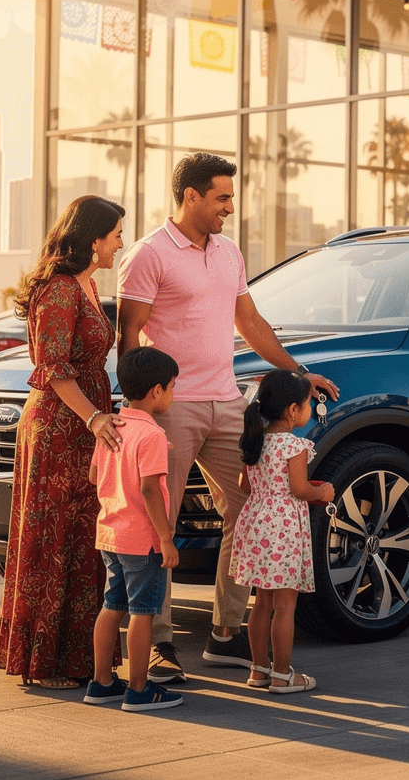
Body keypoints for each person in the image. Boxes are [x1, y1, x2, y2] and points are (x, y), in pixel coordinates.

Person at [117, 152, 339, 683]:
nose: (229, 208)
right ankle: (158, 641)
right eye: (221, 197)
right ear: (190, 196)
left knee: (252, 510)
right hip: (172, 406)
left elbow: (250, 320)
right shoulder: (149, 254)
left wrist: (297, 372)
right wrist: (131, 407)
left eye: (230, 197)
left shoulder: (228, 252)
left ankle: (226, 633)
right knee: (158, 522)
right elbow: (128, 335)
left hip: (228, 401)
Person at [0, 195, 126, 689]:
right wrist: (95, 418)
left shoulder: (87, 285)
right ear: (93, 239)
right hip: (58, 430)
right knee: (55, 543)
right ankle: (47, 663)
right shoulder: (59, 290)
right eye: (115, 235)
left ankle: (80, 658)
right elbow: (51, 368)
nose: (119, 245)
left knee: (83, 540)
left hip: (85, 428)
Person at [85, 347, 184, 712]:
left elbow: (94, 475)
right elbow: (148, 489)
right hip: (143, 541)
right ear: (157, 391)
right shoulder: (151, 435)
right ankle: (140, 690)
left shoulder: (112, 426)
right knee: (143, 612)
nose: (173, 394)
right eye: (172, 387)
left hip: (110, 533)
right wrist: (165, 538)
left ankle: (102, 682)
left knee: (112, 606)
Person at [234, 369, 334, 693]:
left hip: (257, 524)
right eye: (308, 404)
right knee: (285, 606)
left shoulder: (255, 441)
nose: (309, 410)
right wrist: (323, 493)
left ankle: (258, 670)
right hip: (284, 529)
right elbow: (300, 488)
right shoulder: (294, 445)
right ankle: (282, 674)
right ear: (293, 410)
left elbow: (243, 484)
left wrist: (269, 491)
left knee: (261, 603)